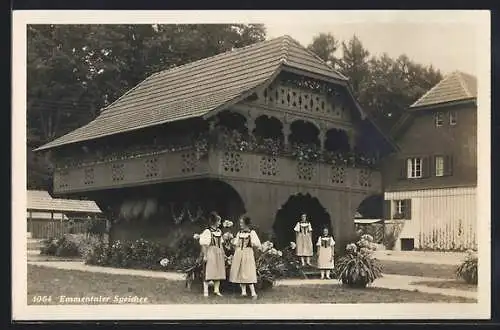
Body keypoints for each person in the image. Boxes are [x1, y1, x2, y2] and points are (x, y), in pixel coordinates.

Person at [229, 216, 261, 299]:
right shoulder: (239, 233)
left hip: (248, 253)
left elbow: (257, 244)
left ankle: (253, 293)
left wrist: (252, 246)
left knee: (248, 271)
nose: (240, 225)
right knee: (240, 270)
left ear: (246, 223)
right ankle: (243, 292)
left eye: (242, 223)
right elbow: (236, 243)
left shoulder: (251, 233)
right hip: (239, 253)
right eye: (240, 223)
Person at [199, 212, 226, 297]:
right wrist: (205, 255)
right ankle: (206, 290)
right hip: (211, 252)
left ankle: (216, 290)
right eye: (219, 221)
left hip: (218, 252)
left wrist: (223, 253)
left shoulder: (219, 231)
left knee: (219, 270)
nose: (220, 223)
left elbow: (221, 244)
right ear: (215, 222)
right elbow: (204, 245)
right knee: (209, 271)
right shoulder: (207, 231)